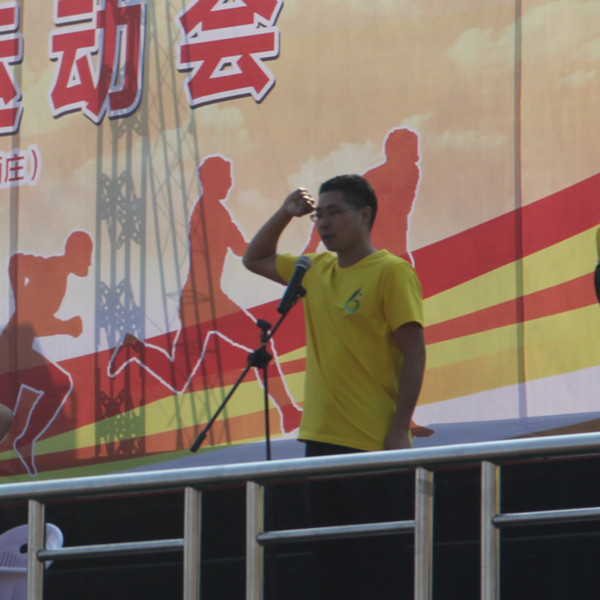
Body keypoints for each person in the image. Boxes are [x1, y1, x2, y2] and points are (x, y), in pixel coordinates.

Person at [243, 174, 425, 599]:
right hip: (321, 436)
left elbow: (415, 353)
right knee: (329, 562)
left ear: (364, 215)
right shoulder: (314, 269)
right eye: (318, 215)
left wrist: (400, 427)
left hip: (372, 439)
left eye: (334, 213)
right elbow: (255, 258)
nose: (323, 223)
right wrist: (286, 213)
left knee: (379, 561)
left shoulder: (391, 272)